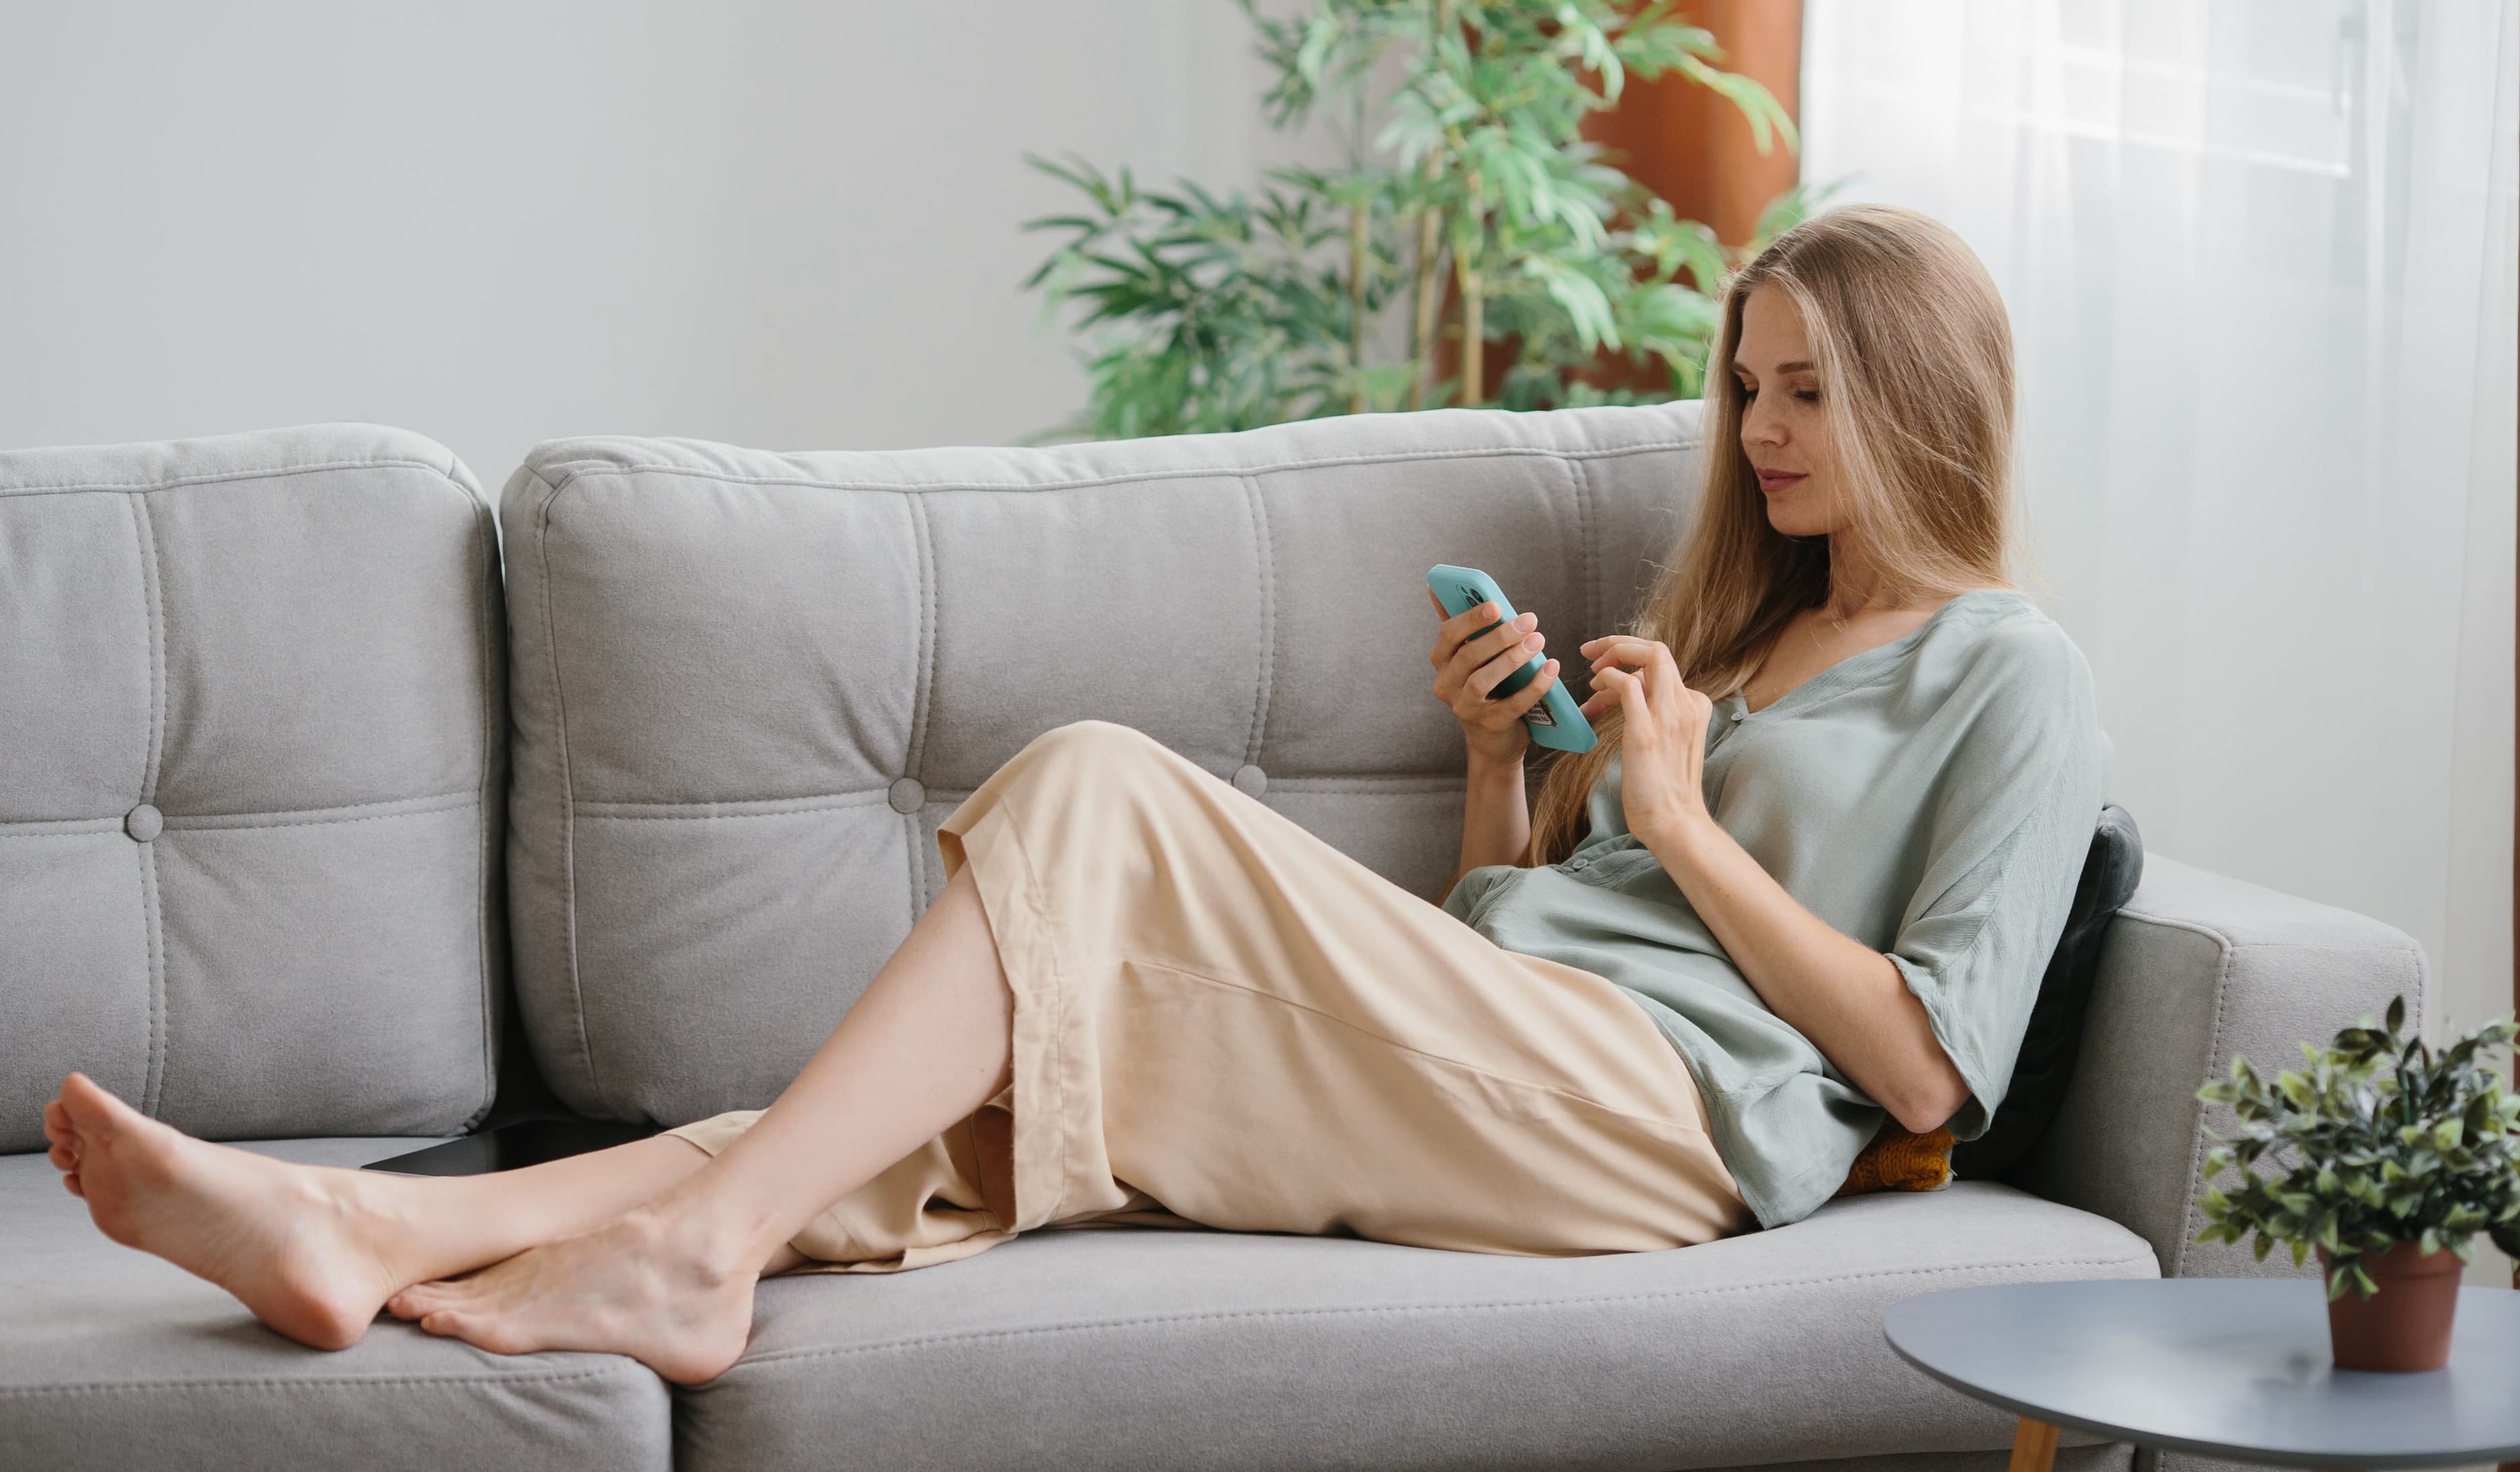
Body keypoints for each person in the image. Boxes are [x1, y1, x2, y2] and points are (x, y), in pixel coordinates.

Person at [40, 204, 2105, 1385]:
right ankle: (360, 1219)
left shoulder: (2007, 670)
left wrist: (1690, 827)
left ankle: (686, 1262)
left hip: (1674, 1131)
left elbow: (1928, 1077)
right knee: (942, 1102)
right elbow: (1503, 949)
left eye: (1808, 389)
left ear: (1925, 397)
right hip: (1532, 1058)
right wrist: (1509, 776)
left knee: (1100, 788)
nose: (1755, 429)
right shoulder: (1742, 638)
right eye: (1747, 381)